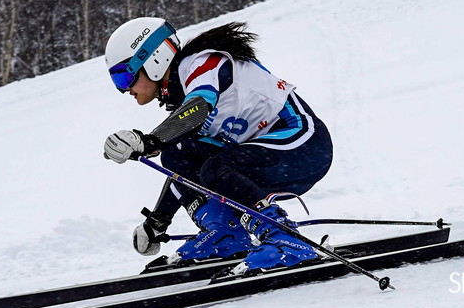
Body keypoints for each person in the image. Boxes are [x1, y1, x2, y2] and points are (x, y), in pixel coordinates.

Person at [102, 17, 333, 269]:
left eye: (123, 76)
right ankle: (225, 234)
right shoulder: (182, 97)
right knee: (176, 153)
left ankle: (286, 239)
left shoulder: (202, 64)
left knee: (214, 166)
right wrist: (158, 220)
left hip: (304, 145)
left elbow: (199, 106)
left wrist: (150, 140)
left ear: (153, 60)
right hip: (267, 156)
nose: (124, 89)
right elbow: (180, 170)